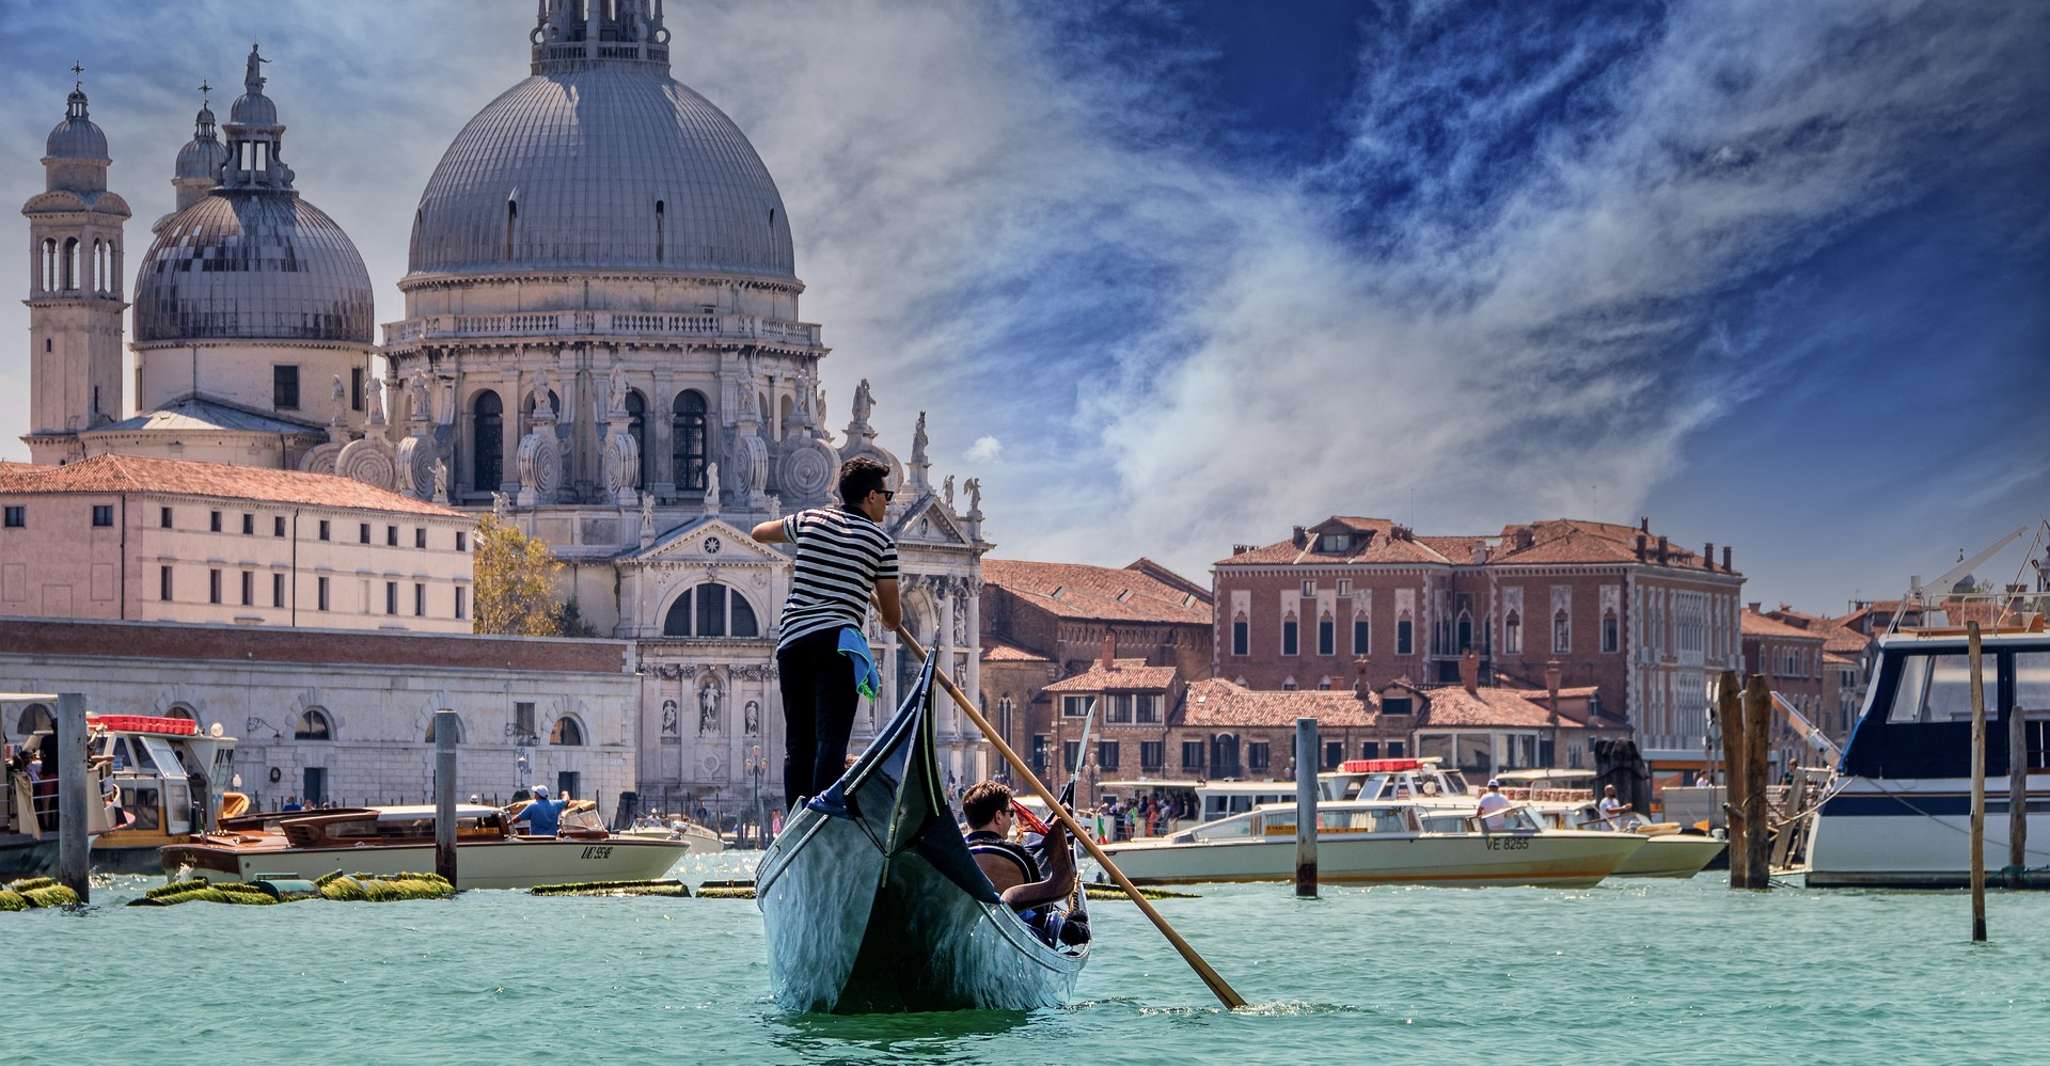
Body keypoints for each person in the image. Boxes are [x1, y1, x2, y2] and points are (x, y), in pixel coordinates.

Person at [751, 457, 902, 809]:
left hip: (793, 641)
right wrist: (865, 582)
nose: (888, 502)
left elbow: (759, 533)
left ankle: (797, 816)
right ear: (870, 496)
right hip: (836, 643)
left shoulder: (811, 519)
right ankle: (823, 817)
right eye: (886, 495)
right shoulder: (881, 545)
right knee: (831, 743)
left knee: (798, 743)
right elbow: (893, 619)